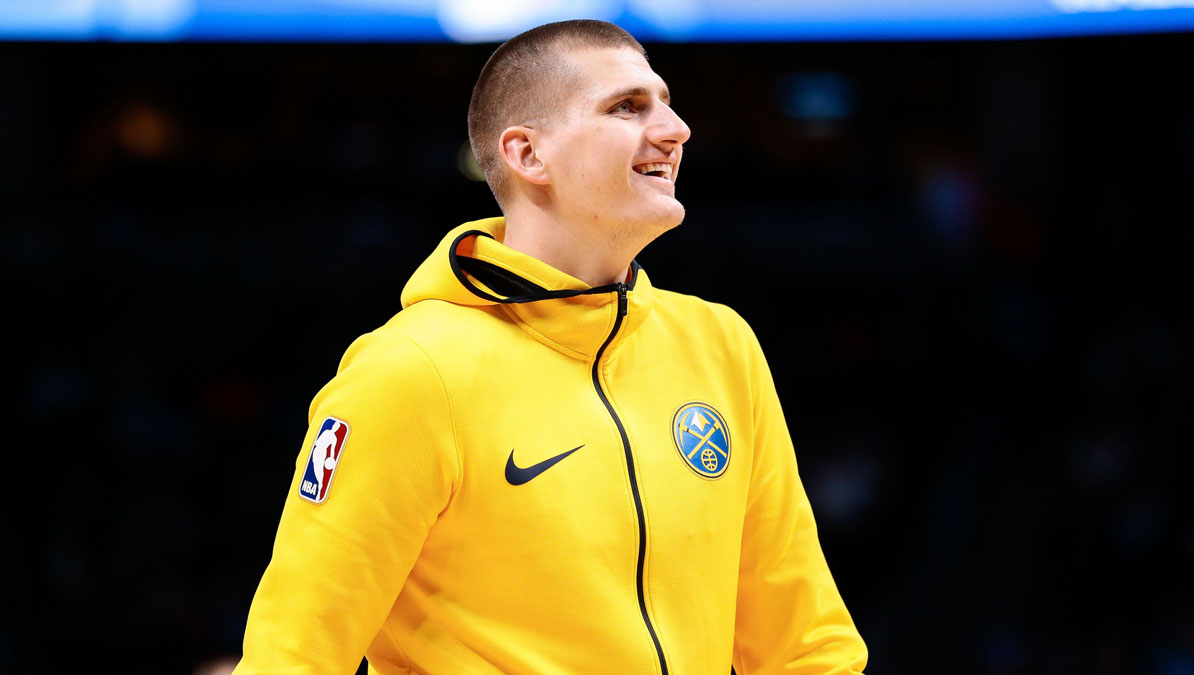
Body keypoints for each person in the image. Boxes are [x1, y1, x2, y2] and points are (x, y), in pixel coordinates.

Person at [234, 19, 868, 674]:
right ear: (528, 154)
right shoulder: (410, 371)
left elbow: (806, 644)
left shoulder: (721, 345)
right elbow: (293, 656)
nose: (675, 128)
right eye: (627, 106)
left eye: (666, 101)